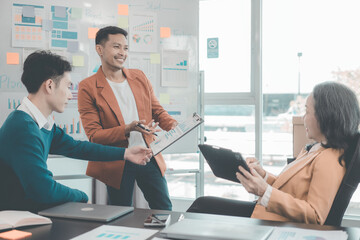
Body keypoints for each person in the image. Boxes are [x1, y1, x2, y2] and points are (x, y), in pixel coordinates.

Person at [0, 51, 152, 213]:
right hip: (16, 220)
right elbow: (43, 190)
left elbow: (77, 147)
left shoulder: (38, 122)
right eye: (68, 86)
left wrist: (126, 154)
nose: (70, 94)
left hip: (30, 213)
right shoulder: (24, 128)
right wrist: (81, 196)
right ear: (50, 86)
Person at [188, 81, 360, 225]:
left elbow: (315, 216)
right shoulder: (315, 149)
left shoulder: (329, 160)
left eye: (307, 111)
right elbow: (289, 188)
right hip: (269, 214)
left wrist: (264, 191)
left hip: (276, 221)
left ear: (326, 116)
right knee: (202, 205)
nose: (302, 118)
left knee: (202, 206)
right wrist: (262, 175)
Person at [78, 26, 177, 210]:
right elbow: (94, 136)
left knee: (164, 208)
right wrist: (127, 128)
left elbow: (157, 110)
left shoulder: (139, 76)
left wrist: (174, 125)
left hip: (148, 155)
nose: (122, 53)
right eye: (116, 47)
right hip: (118, 159)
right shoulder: (88, 87)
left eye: (125, 48)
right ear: (99, 49)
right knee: (121, 212)